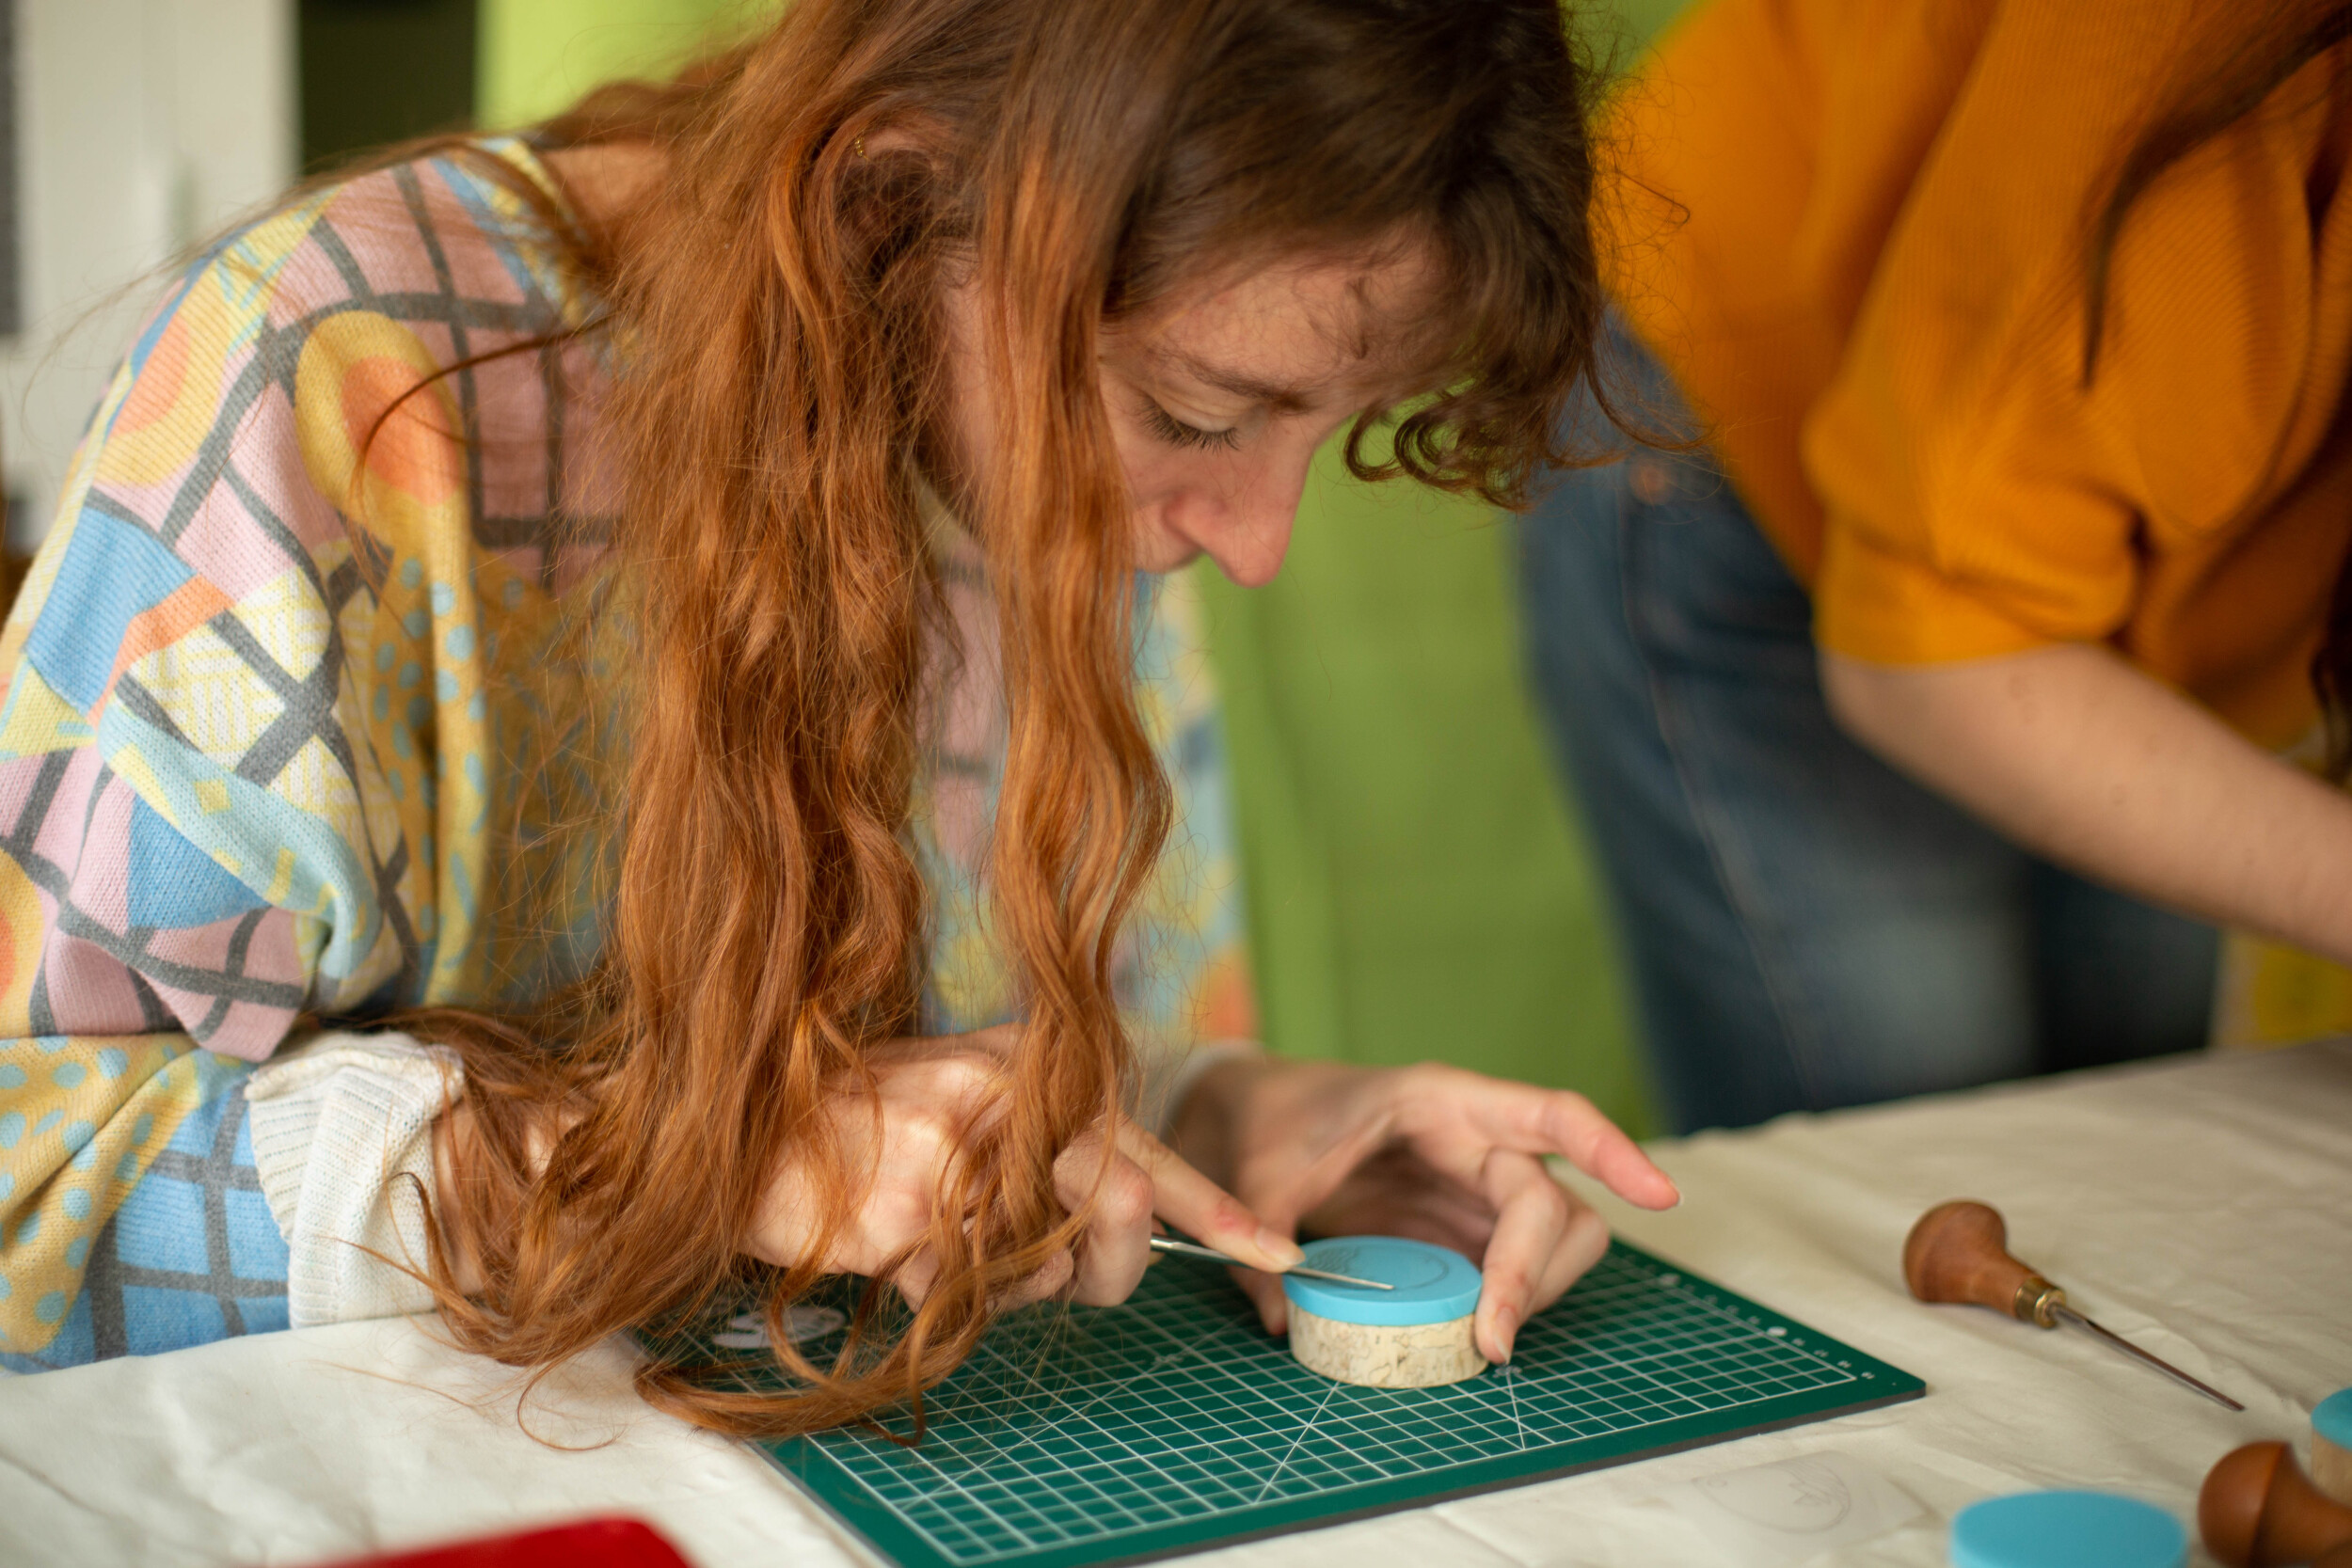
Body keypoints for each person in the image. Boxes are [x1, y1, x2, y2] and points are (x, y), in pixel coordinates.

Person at [0, 0, 1678, 1431]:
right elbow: (28, 1189)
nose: (1253, 544)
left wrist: (1225, 1117)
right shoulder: (342, 376)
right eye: (1193, 411)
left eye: (1322, 435)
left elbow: (972, 1085)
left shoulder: (1053, 474)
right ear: (890, 205)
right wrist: (679, 1162)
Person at [1519, 0, 2352, 1134]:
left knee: (2122, 1135)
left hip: (2125, 574)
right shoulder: (2185, 50)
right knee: (1923, 1139)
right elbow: (1927, 654)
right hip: (1769, 429)